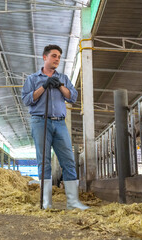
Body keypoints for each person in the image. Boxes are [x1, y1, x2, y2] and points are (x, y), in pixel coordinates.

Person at [21, 44, 89, 210]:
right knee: (44, 162)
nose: (57, 59)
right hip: (40, 121)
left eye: (59, 57)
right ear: (45, 57)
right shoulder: (32, 79)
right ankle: (46, 203)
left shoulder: (63, 78)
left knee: (68, 160)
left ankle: (73, 202)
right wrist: (43, 86)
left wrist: (59, 85)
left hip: (59, 122)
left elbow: (72, 96)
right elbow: (26, 100)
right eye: (53, 56)